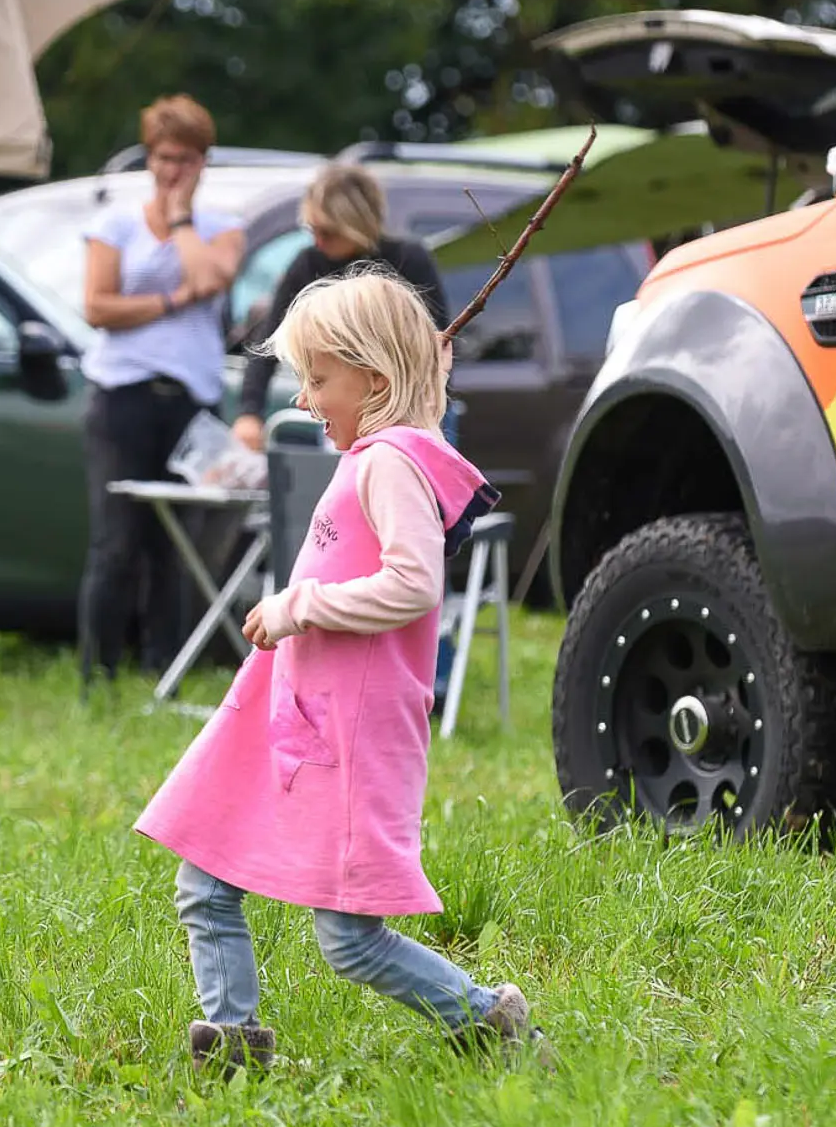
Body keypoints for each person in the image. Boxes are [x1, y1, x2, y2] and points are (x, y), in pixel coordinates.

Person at [132, 267, 552, 1076]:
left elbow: (413, 583)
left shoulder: (392, 462)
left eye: (318, 379)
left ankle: (489, 1019)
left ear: (377, 377)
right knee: (206, 879)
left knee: (350, 942)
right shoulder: (375, 453)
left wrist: (299, 605)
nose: (303, 398)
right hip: (296, 714)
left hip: (348, 730)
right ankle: (233, 1050)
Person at [233, 161, 465, 700]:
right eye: (311, 228)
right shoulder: (307, 263)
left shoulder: (407, 260)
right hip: (353, 423)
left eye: (328, 229)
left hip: (405, 419)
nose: (317, 239)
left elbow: (433, 353)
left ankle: (432, 673)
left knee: (417, 546)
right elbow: (263, 347)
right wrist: (248, 411)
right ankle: (343, 657)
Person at [76, 94, 245, 689]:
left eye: (184, 160)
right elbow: (98, 305)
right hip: (122, 393)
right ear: (149, 158)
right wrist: (172, 301)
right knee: (115, 539)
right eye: (162, 158)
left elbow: (211, 276)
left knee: (177, 542)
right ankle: (98, 671)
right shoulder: (115, 223)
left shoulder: (222, 225)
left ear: (203, 162)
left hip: (190, 397)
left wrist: (178, 221)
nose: (171, 171)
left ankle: (165, 664)